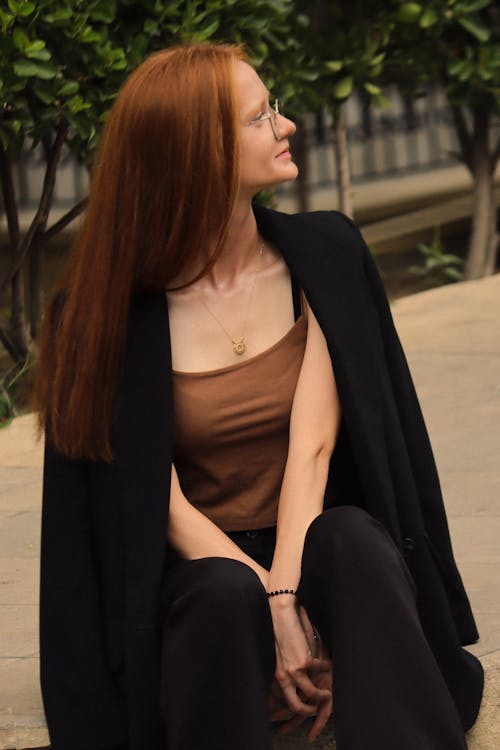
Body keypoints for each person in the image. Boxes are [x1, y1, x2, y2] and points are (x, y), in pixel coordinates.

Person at [33, 43, 483, 750]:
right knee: (221, 592)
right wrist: (267, 603)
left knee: (355, 540)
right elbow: (161, 504)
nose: (287, 125)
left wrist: (288, 593)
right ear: (197, 154)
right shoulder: (103, 318)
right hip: (198, 578)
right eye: (259, 116)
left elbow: (313, 450)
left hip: (311, 543)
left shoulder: (324, 259)